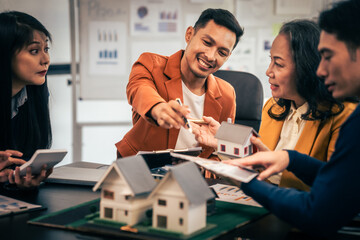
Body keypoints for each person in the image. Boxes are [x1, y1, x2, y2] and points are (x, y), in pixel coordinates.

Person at [224, 0, 360, 236]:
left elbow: (320, 209)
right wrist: (290, 158)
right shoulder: (272, 108)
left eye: (328, 56)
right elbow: (342, 181)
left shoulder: (350, 120)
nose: (321, 69)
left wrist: (245, 181)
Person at [192, 19, 357, 190]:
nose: (268, 71)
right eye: (271, 60)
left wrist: (272, 166)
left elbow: (336, 187)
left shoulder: (344, 116)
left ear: (308, 67)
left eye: (278, 64)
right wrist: (221, 142)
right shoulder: (273, 107)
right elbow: (258, 163)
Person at [115, 9, 244, 159]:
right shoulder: (150, 64)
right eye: (207, 43)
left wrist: (203, 171)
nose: (210, 56)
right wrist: (158, 108)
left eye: (222, 53)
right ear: (189, 34)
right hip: (142, 171)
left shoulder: (227, 94)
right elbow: (139, 89)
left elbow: (220, 154)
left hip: (194, 178)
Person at [0, 11, 53, 189]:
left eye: (46, 49)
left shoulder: (34, 96)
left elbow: (24, 159)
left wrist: (23, 177)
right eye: (34, 51)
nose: (46, 60)